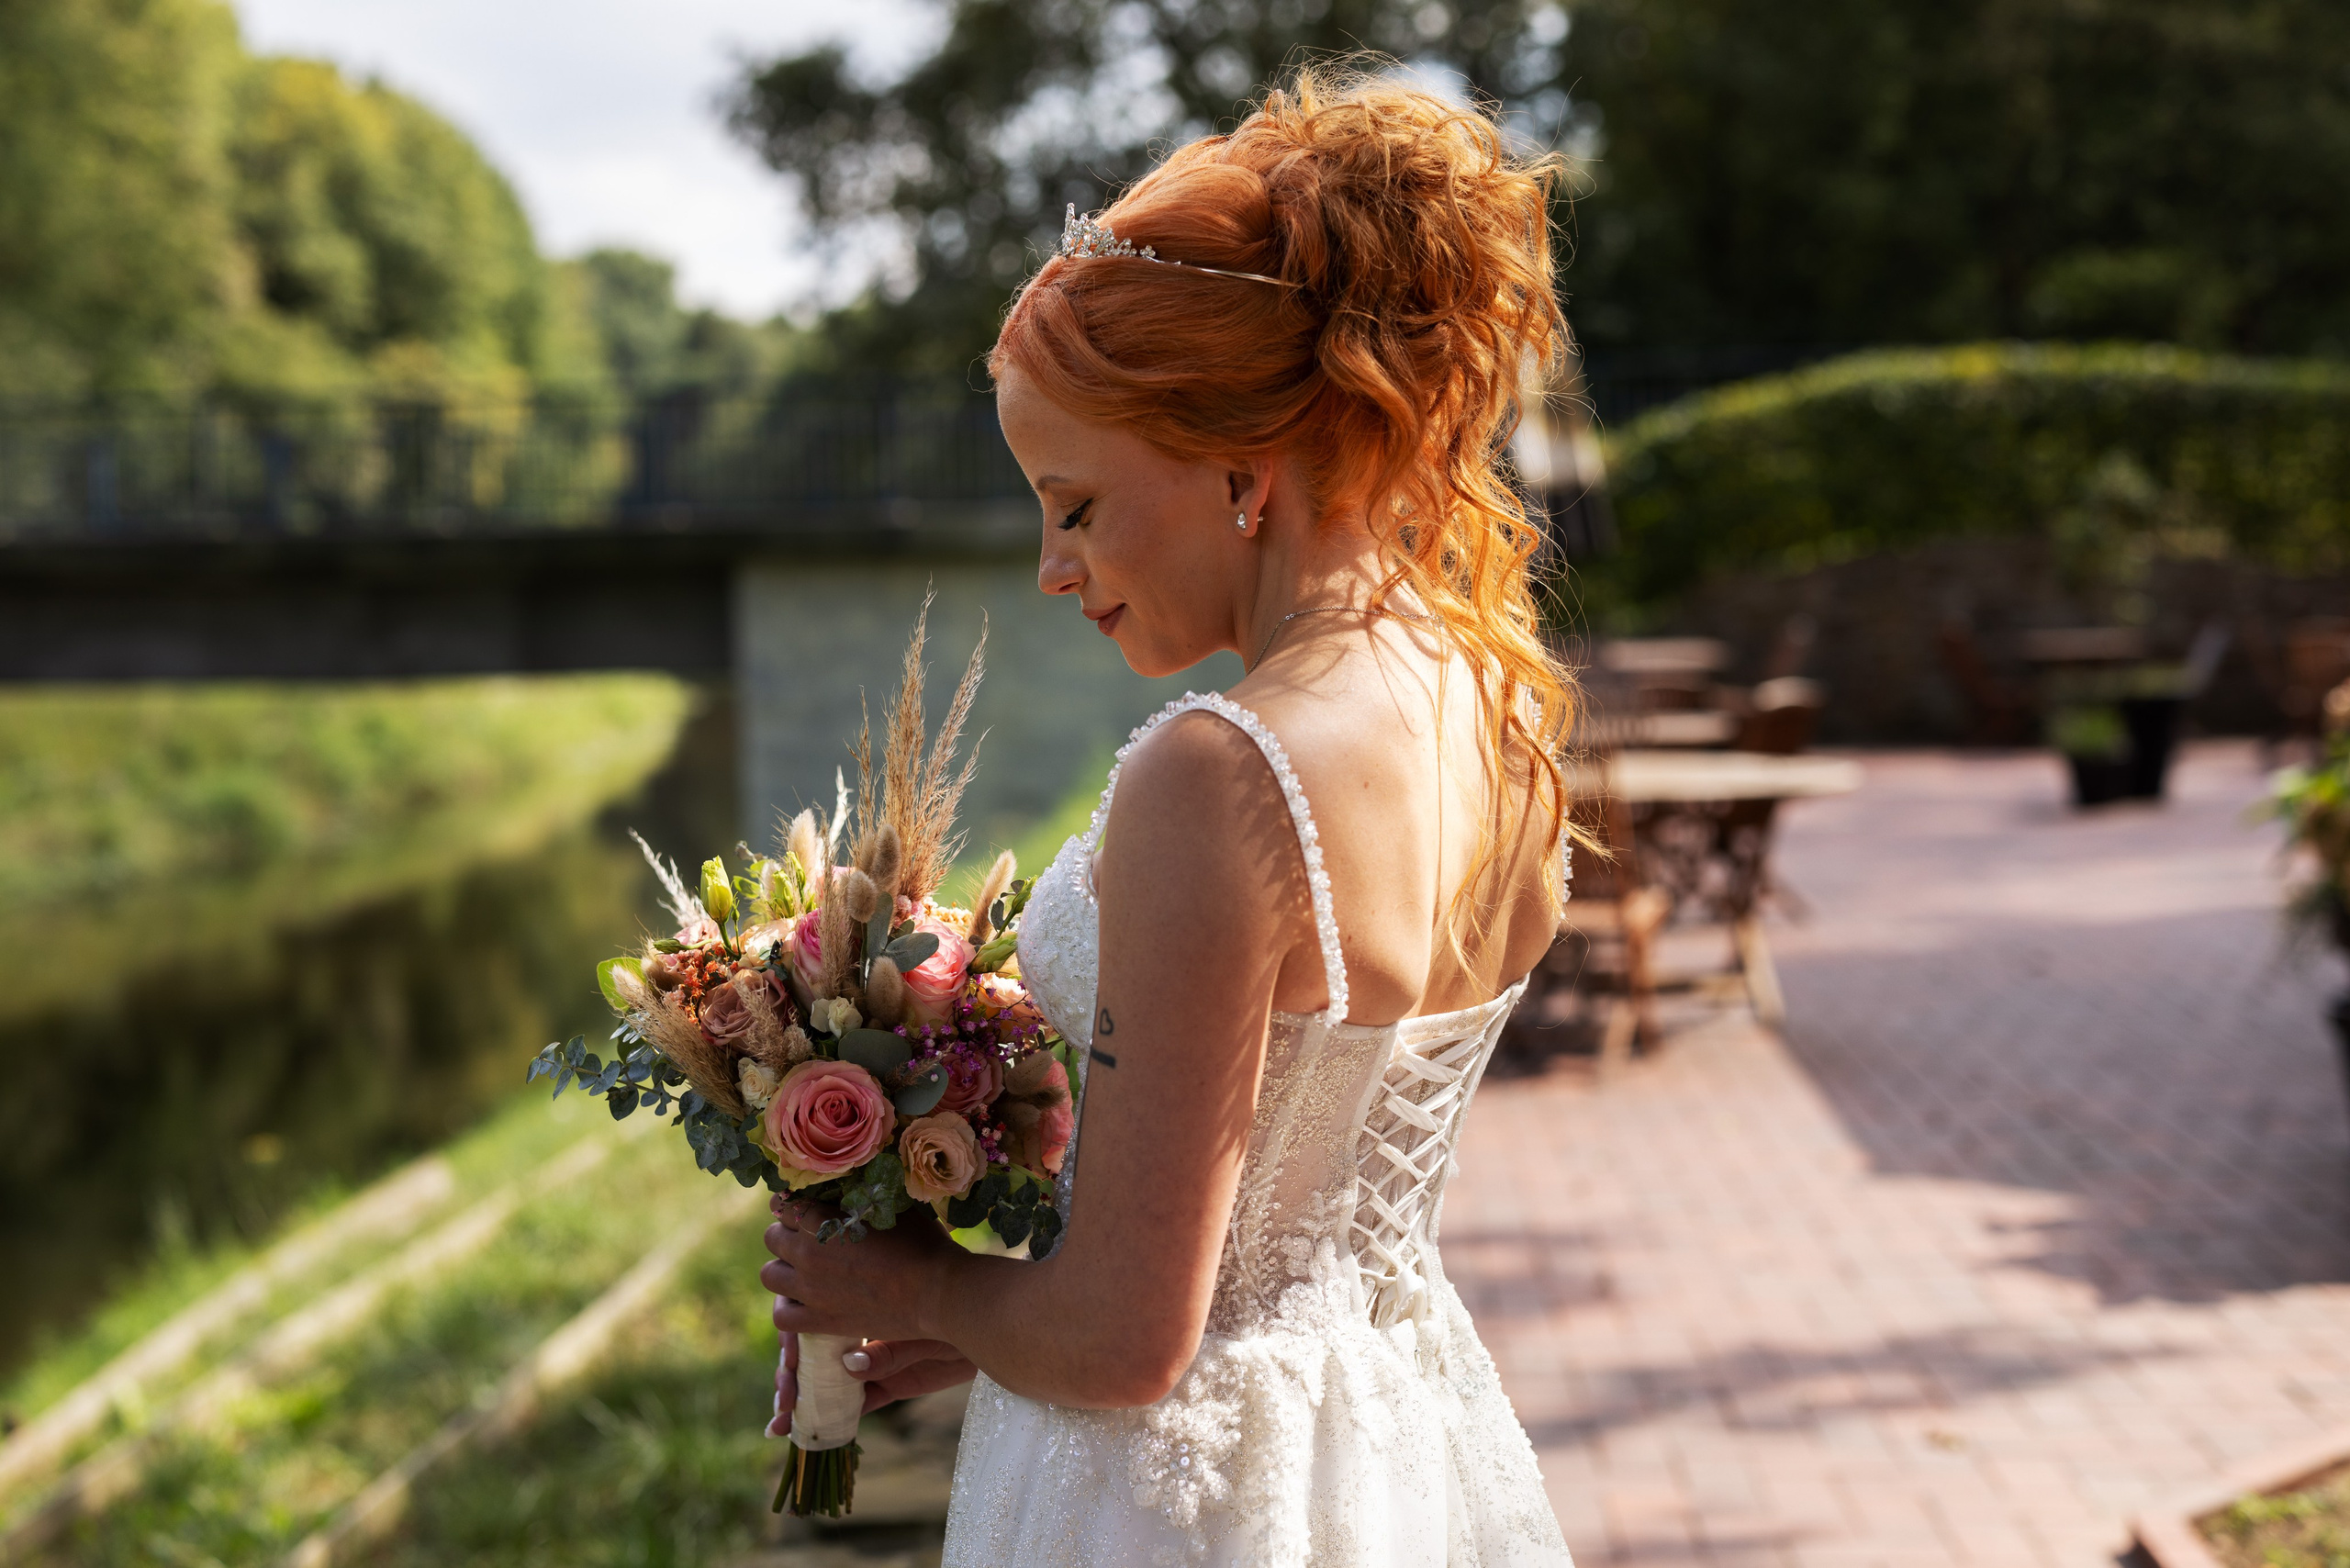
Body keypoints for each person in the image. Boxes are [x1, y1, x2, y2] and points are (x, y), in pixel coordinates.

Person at [759, 64, 1579, 1566]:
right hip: (1395, 1438)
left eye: (1075, 504)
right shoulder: (1488, 696)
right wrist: (996, 1328)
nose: (1053, 567)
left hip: (1176, 1499)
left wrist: (909, 1289)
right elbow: (1273, 1215)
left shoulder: (1222, 772)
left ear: (1234, 465)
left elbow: (1135, 1340)